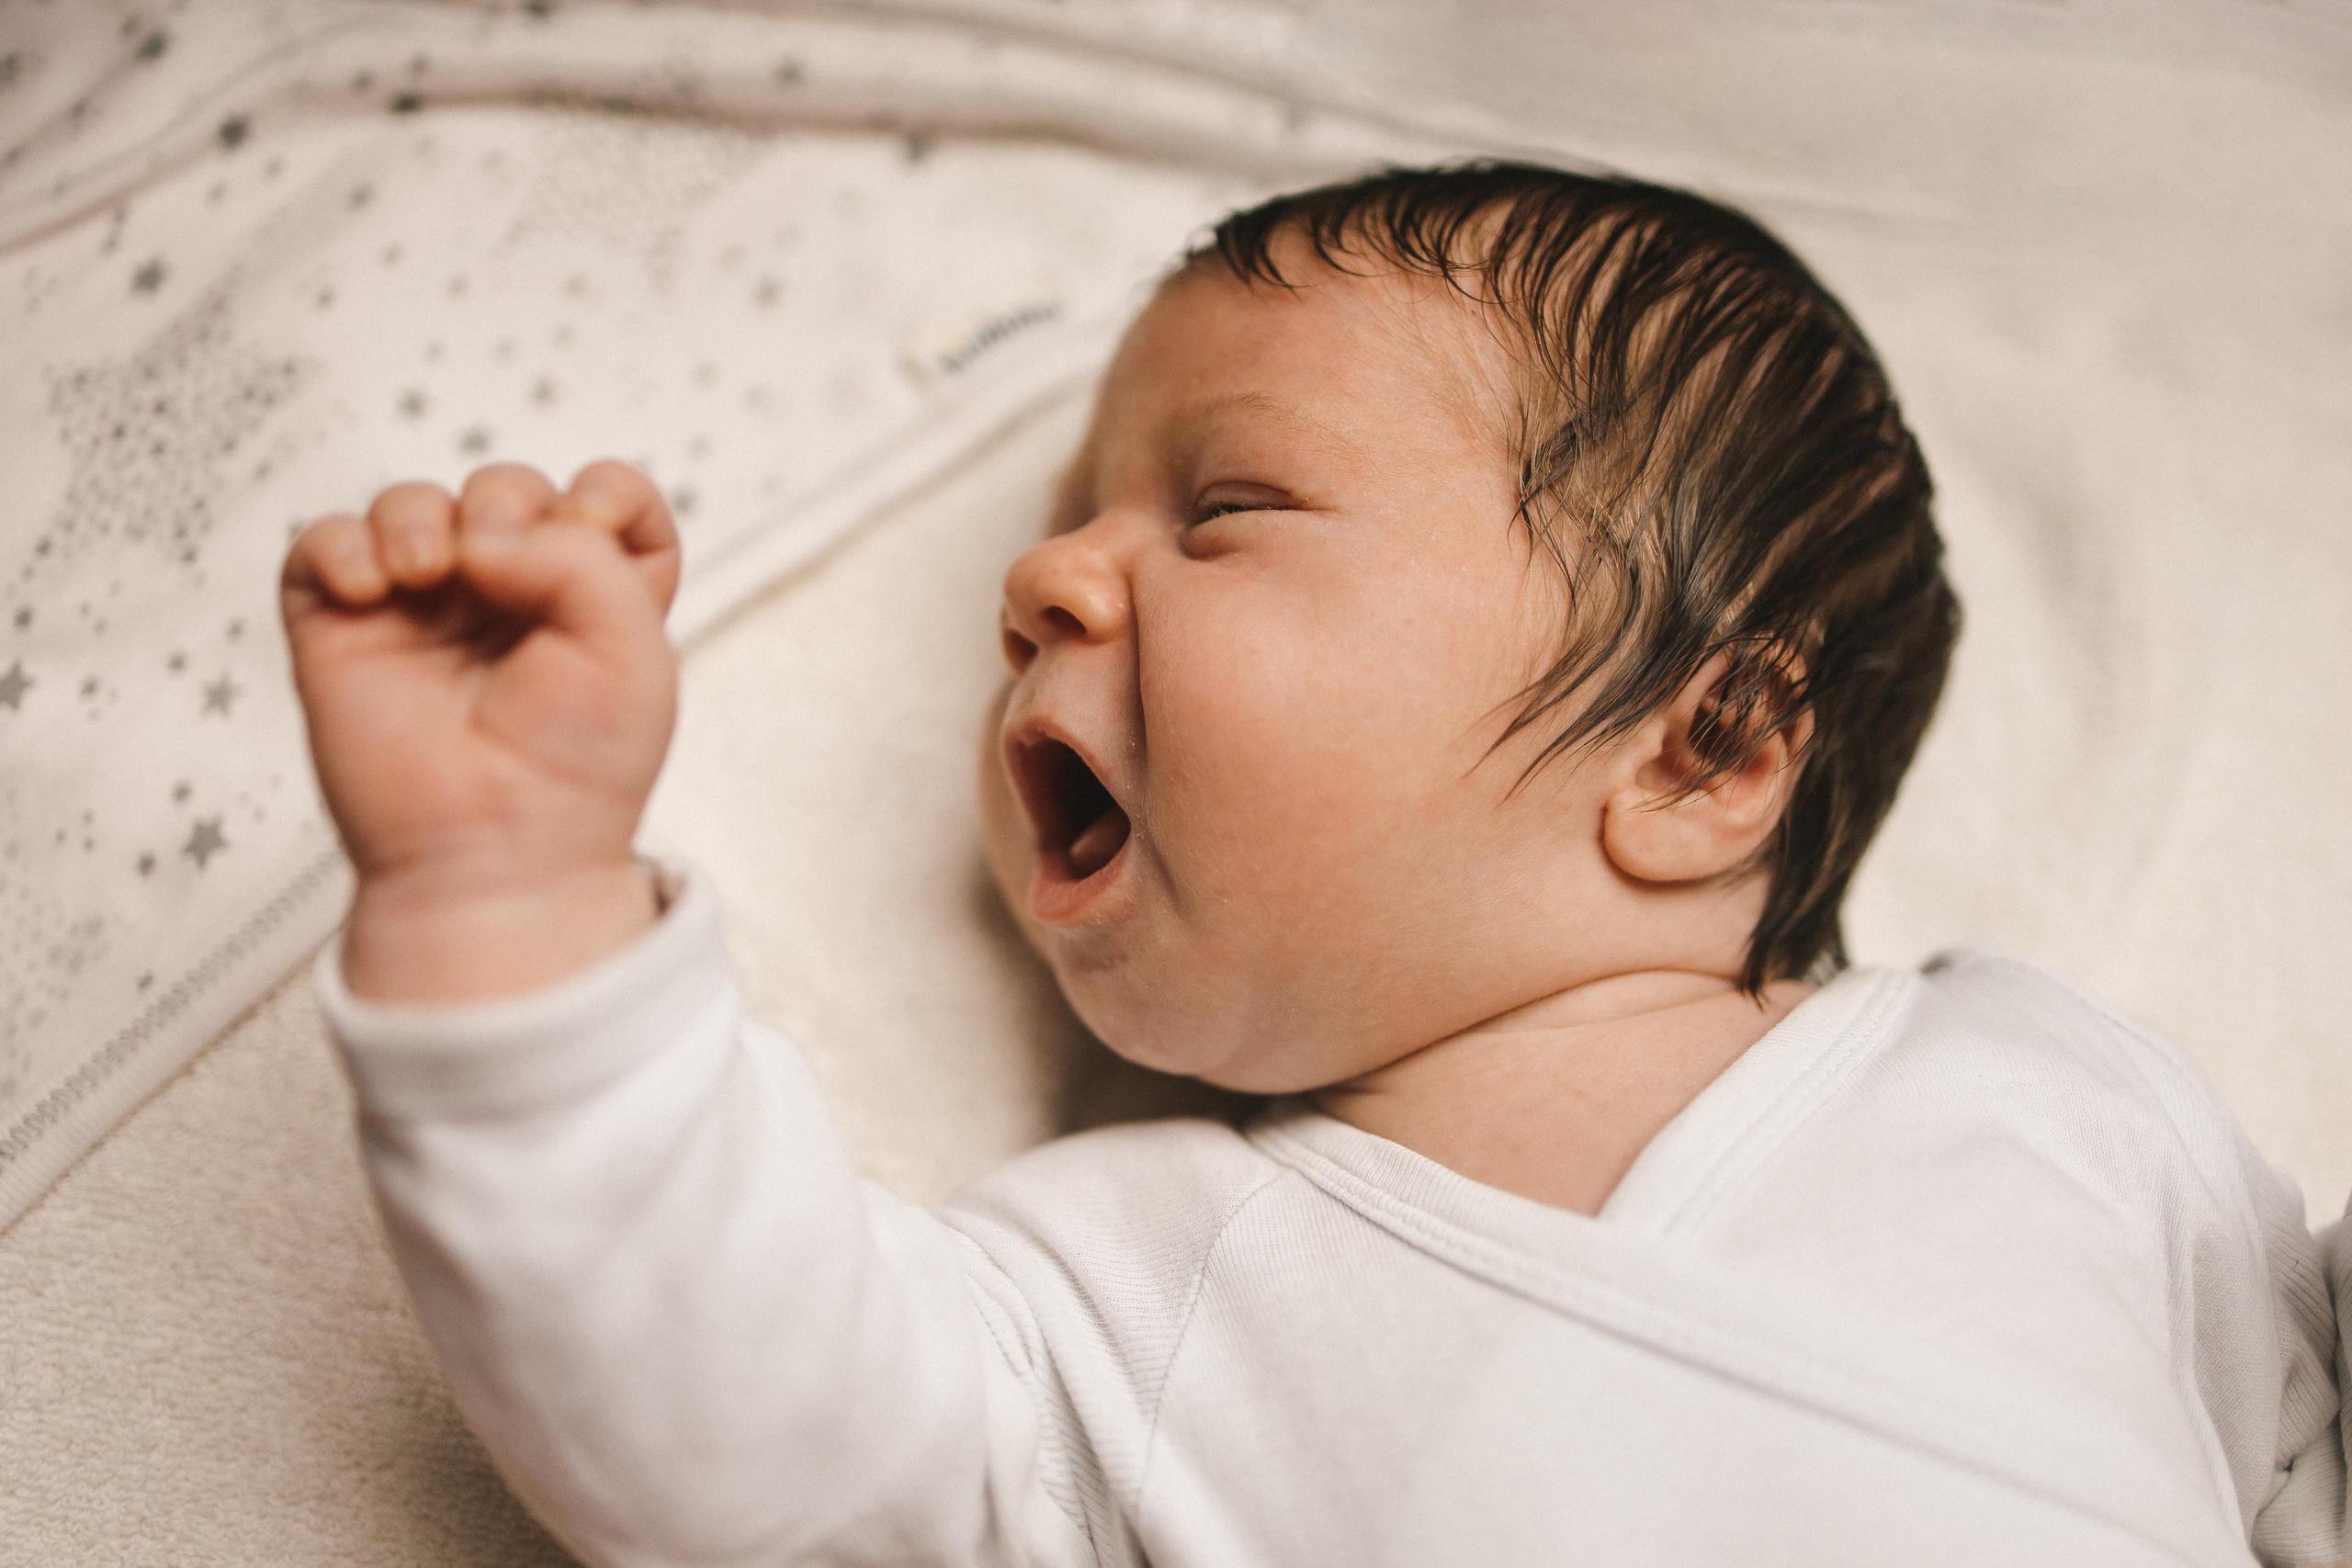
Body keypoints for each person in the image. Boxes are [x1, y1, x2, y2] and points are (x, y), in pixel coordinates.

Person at [281, 164, 2343, 1566]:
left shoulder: (2062, 1102)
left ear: (1703, 750)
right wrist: (503, 892)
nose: (1038, 578)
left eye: (1225, 508)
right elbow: (728, 1417)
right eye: (1076, 512)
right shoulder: (1108, 1299)